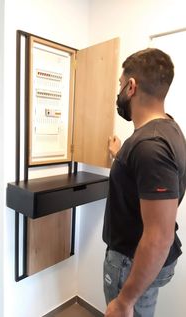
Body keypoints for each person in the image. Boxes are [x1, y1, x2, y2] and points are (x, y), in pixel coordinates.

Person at [103, 48, 186, 317]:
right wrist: (120, 156)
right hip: (140, 259)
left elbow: (159, 237)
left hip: (131, 261)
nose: (119, 93)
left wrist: (124, 301)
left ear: (131, 86)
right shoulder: (168, 129)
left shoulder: (149, 147)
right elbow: (146, 178)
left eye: (119, 84)